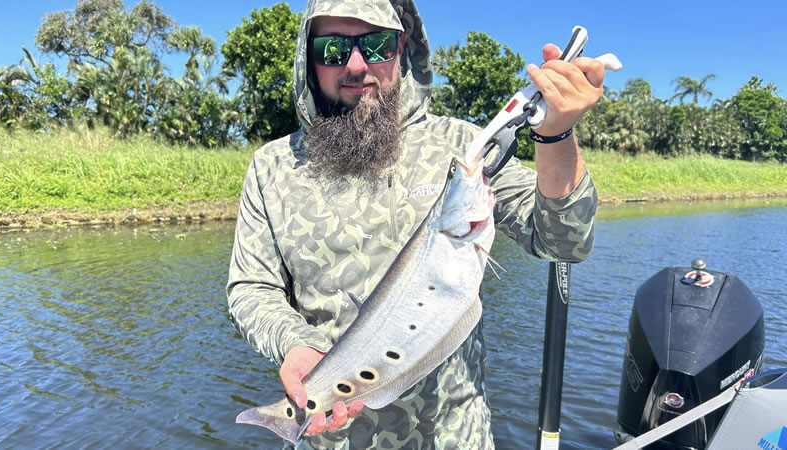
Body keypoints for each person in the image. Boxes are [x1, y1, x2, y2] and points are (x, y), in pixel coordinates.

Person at [226, 0, 604, 448]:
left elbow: (565, 241)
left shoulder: (462, 147)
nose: (355, 64)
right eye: (331, 49)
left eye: (377, 45)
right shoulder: (272, 167)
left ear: (401, 47)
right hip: (329, 433)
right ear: (309, 58)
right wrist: (295, 342)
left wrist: (556, 135)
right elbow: (251, 287)